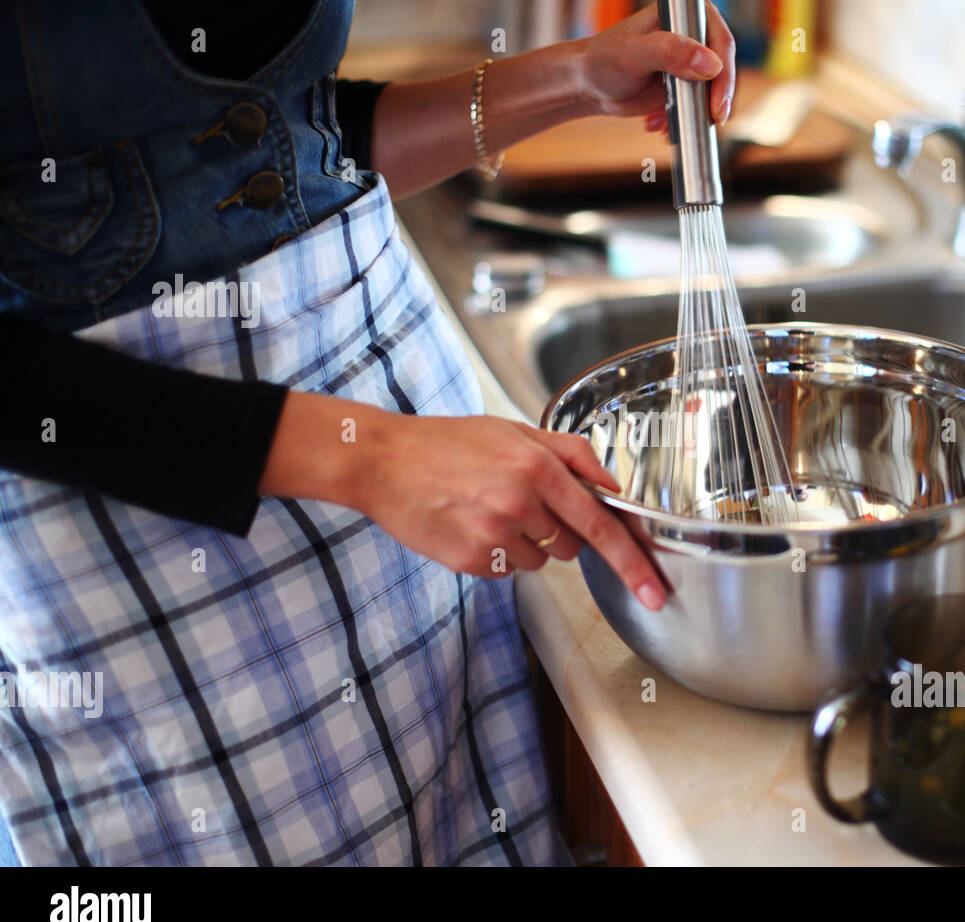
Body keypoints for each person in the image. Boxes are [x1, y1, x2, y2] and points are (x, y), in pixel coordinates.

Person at [0, 0, 735, 866]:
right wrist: (372, 455)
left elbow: (297, 140)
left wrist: (572, 77)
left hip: (392, 474)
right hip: (139, 530)